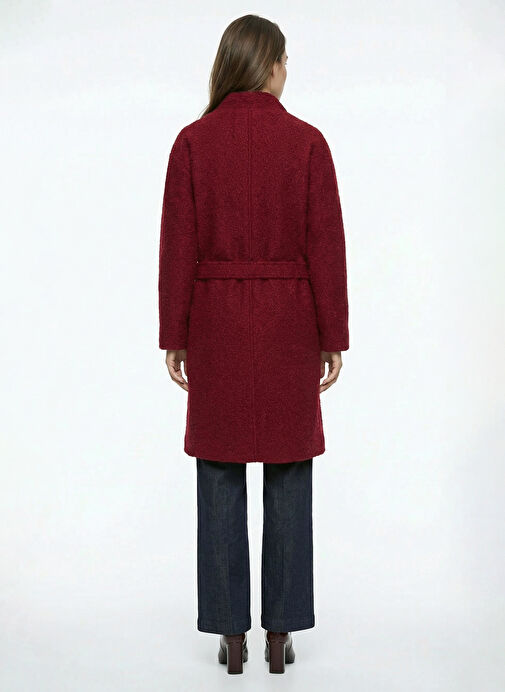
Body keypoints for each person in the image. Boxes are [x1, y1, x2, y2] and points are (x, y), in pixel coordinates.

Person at [158, 14, 349, 675]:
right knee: (288, 471)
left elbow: (176, 247)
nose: (287, 71)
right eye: (285, 60)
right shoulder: (307, 143)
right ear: (266, 64)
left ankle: (231, 636)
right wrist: (332, 334)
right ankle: (279, 634)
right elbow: (326, 246)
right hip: (289, 322)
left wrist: (174, 333)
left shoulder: (192, 142)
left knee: (219, 472)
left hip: (215, 324)